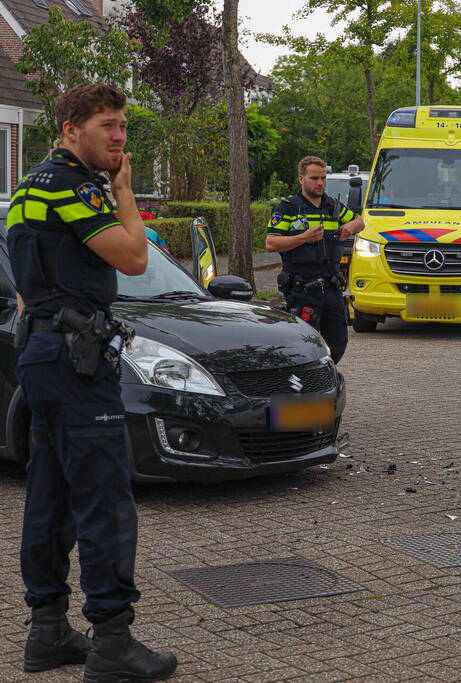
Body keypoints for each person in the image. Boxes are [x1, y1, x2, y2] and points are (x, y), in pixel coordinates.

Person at [5, 84, 176, 681]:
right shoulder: (74, 187)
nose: (120, 136)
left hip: (43, 355)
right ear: (70, 128)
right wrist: (125, 194)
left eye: (123, 126)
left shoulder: (28, 187)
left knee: (50, 497)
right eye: (108, 124)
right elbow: (132, 257)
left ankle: (47, 632)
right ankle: (112, 644)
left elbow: (27, 285)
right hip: (78, 364)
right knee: (105, 499)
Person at [266, 155, 364, 362]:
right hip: (303, 291)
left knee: (339, 342)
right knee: (305, 344)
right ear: (301, 179)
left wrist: (350, 226)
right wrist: (304, 237)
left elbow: (360, 222)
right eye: (314, 178)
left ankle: (324, 377)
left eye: (322, 178)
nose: (320, 183)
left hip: (332, 288)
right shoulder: (288, 208)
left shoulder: (333, 206)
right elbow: (271, 242)